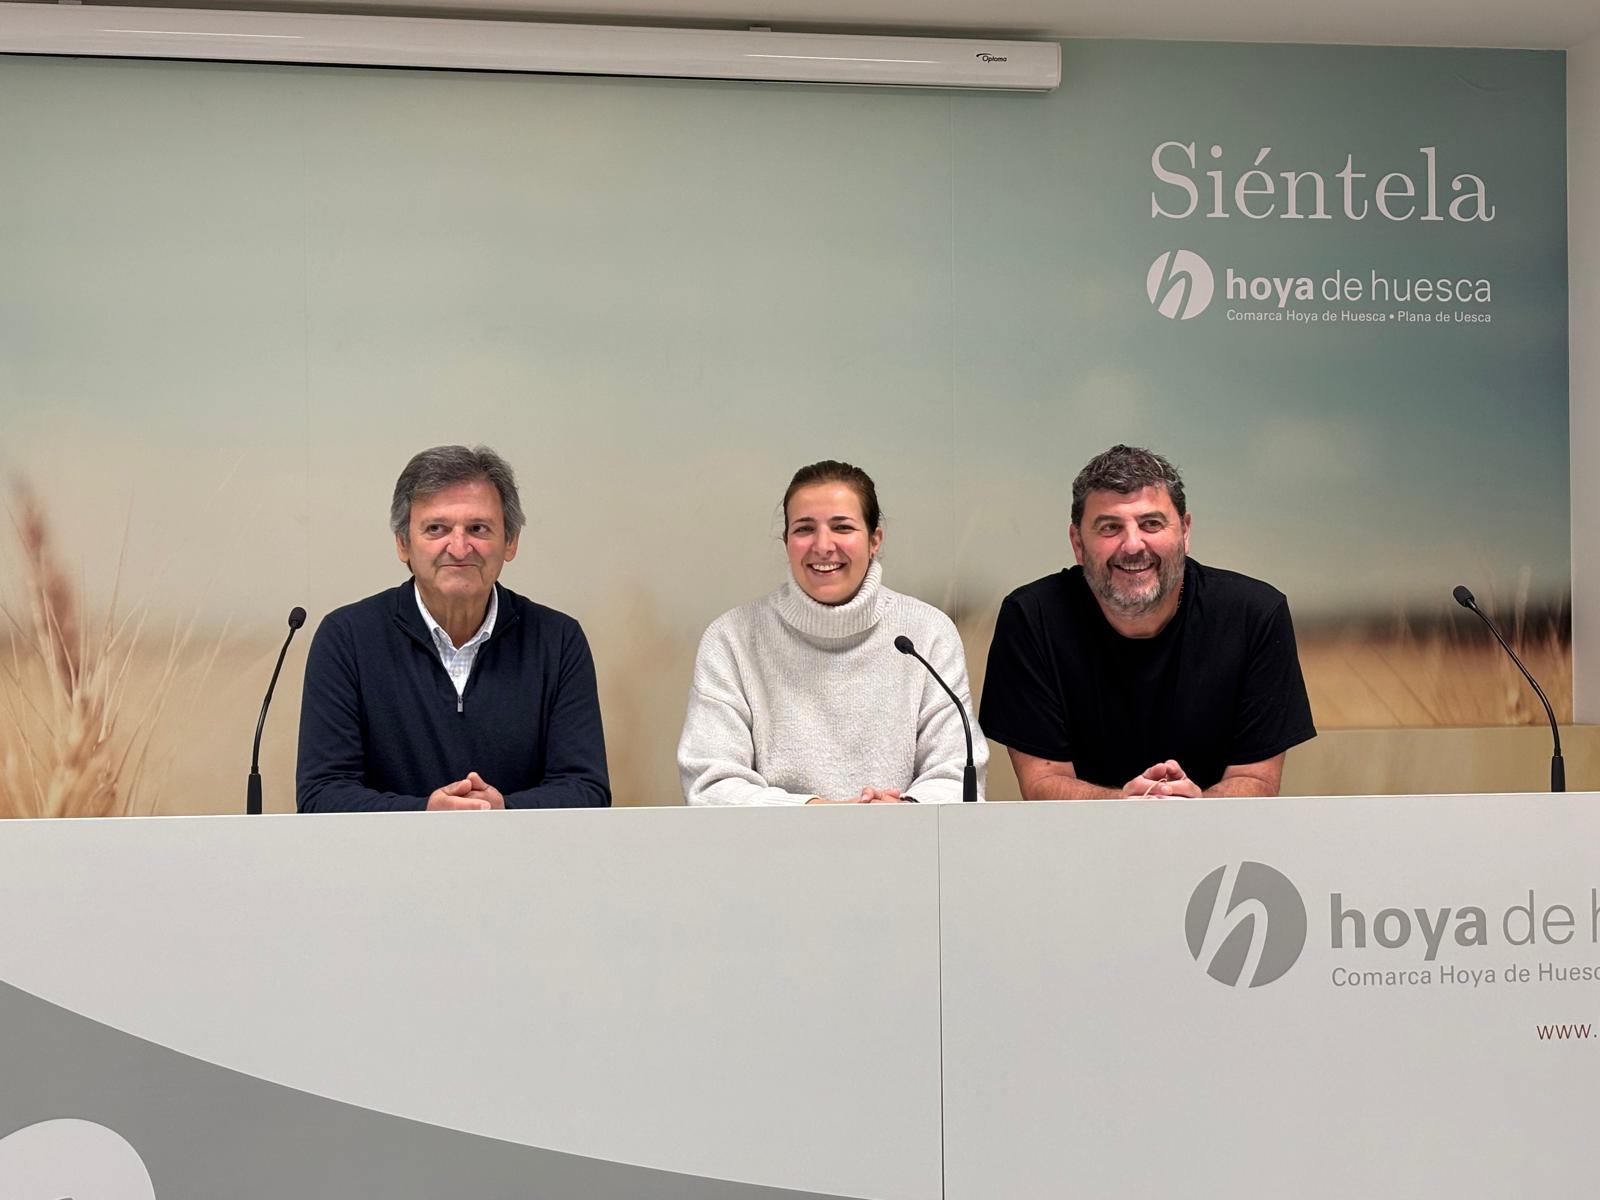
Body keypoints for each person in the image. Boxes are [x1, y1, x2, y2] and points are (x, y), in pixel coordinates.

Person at [980, 444, 1314, 800]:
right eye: (1110, 527)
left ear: (1185, 532)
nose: (1133, 545)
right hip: (1077, 845)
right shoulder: (1032, 619)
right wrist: (1127, 808)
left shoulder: (1255, 616)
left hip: (1223, 848)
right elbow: (1043, 784)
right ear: (1078, 543)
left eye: (1151, 523)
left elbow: (1257, 781)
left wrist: (1192, 810)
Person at [296, 445, 610, 812]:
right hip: (386, 866)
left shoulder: (558, 641)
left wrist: (504, 810)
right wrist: (426, 815)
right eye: (436, 529)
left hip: (523, 862)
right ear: (403, 544)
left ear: (510, 542)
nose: (459, 548)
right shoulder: (346, 638)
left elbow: (586, 790)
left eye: (478, 528)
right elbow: (323, 795)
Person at [678, 460, 986, 805]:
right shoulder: (731, 639)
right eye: (804, 529)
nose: (823, 546)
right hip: (771, 854)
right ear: (786, 543)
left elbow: (958, 773)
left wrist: (903, 811)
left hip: (903, 850)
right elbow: (710, 784)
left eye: (842, 527)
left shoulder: (927, 633)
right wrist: (818, 812)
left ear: (875, 540)